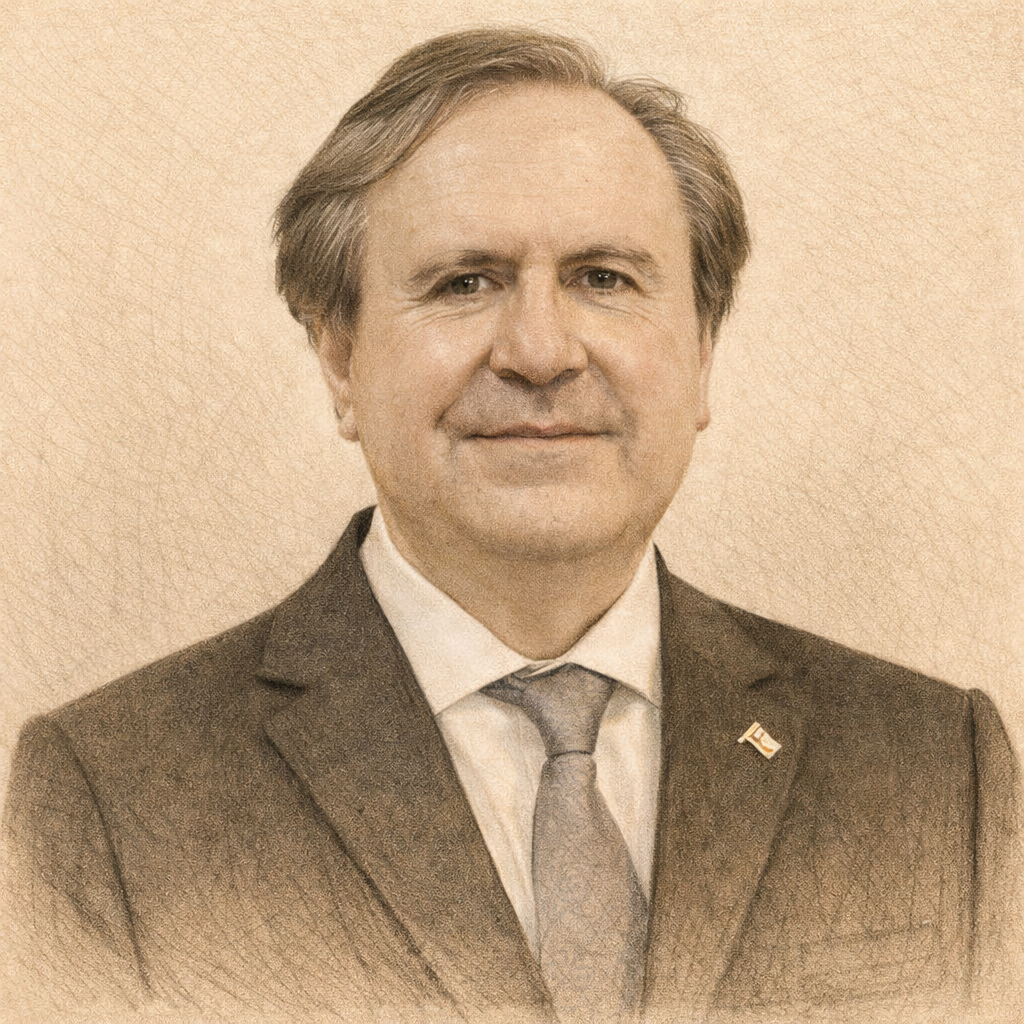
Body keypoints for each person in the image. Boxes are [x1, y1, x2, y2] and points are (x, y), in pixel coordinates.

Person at [2, 28, 1019, 1024]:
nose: (539, 351)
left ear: (702, 351)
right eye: (465, 282)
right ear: (340, 360)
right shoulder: (112, 798)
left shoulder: (935, 769)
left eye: (604, 279)